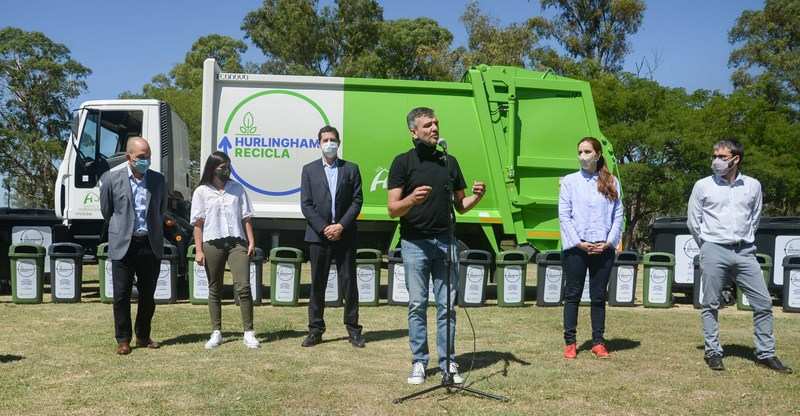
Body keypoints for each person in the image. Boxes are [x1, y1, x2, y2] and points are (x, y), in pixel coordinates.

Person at [387, 107, 486, 385]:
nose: (434, 128)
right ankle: (419, 362)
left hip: (446, 242)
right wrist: (412, 201)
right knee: (418, 305)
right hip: (414, 243)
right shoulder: (402, 163)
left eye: (436, 124)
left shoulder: (449, 162)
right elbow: (393, 209)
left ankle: (449, 363)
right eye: (428, 125)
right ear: (413, 131)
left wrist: (477, 197)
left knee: (447, 307)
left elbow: (461, 207)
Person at [687, 139, 792, 373]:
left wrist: (744, 239)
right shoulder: (702, 185)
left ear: (736, 159)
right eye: (714, 155)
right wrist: (705, 246)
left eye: (722, 157)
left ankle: (766, 353)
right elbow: (693, 222)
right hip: (713, 248)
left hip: (745, 251)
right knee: (710, 303)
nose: (716, 161)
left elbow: (754, 217)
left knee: (763, 303)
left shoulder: (753, 186)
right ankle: (713, 351)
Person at [299, 125, 365, 348]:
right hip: (319, 236)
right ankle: (315, 329)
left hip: (345, 235)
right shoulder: (309, 170)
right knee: (318, 283)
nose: (329, 143)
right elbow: (306, 205)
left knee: (349, 283)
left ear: (339, 142)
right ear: (319, 143)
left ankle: (353, 329)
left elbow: (357, 201)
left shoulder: (351, 169)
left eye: (333, 139)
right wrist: (325, 227)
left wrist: (341, 226)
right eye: (325, 139)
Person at [558, 137, 623, 360]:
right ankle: (570, 342)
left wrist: (609, 241)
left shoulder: (611, 181)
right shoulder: (569, 181)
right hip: (576, 247)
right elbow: (564, 215)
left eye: (587, 152)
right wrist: (578, 242)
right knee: (573, 294)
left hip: (602, 247)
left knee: (598, 296)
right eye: (580, 152)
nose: (583, 156)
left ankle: (598, 341)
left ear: (597, 154)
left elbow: (618, 214)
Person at [99, 137, 165, 355]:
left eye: (149, 156)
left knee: (148, 296)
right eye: (141, 157)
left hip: (149, 244)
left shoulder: (158, 180)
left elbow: (160, 209)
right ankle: (123, 339)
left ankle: (143, 336)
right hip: (123, 245)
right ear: (129, 157)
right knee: (121, 295)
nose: (146, 160)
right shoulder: (111, 178)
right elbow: (106, 211)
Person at [191, 151, 260, 350]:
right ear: (212, 168)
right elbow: (198, 223)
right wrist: (199, 250)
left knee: (243, 286)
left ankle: (249, 332)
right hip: (212, 243)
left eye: (228, 166)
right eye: (222, 167)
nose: (226, 170)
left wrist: (251, 241)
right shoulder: (201, 192)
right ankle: (216, 332)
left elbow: (246, 217)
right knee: (215, 288)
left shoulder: (237, 189)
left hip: (237, 242)